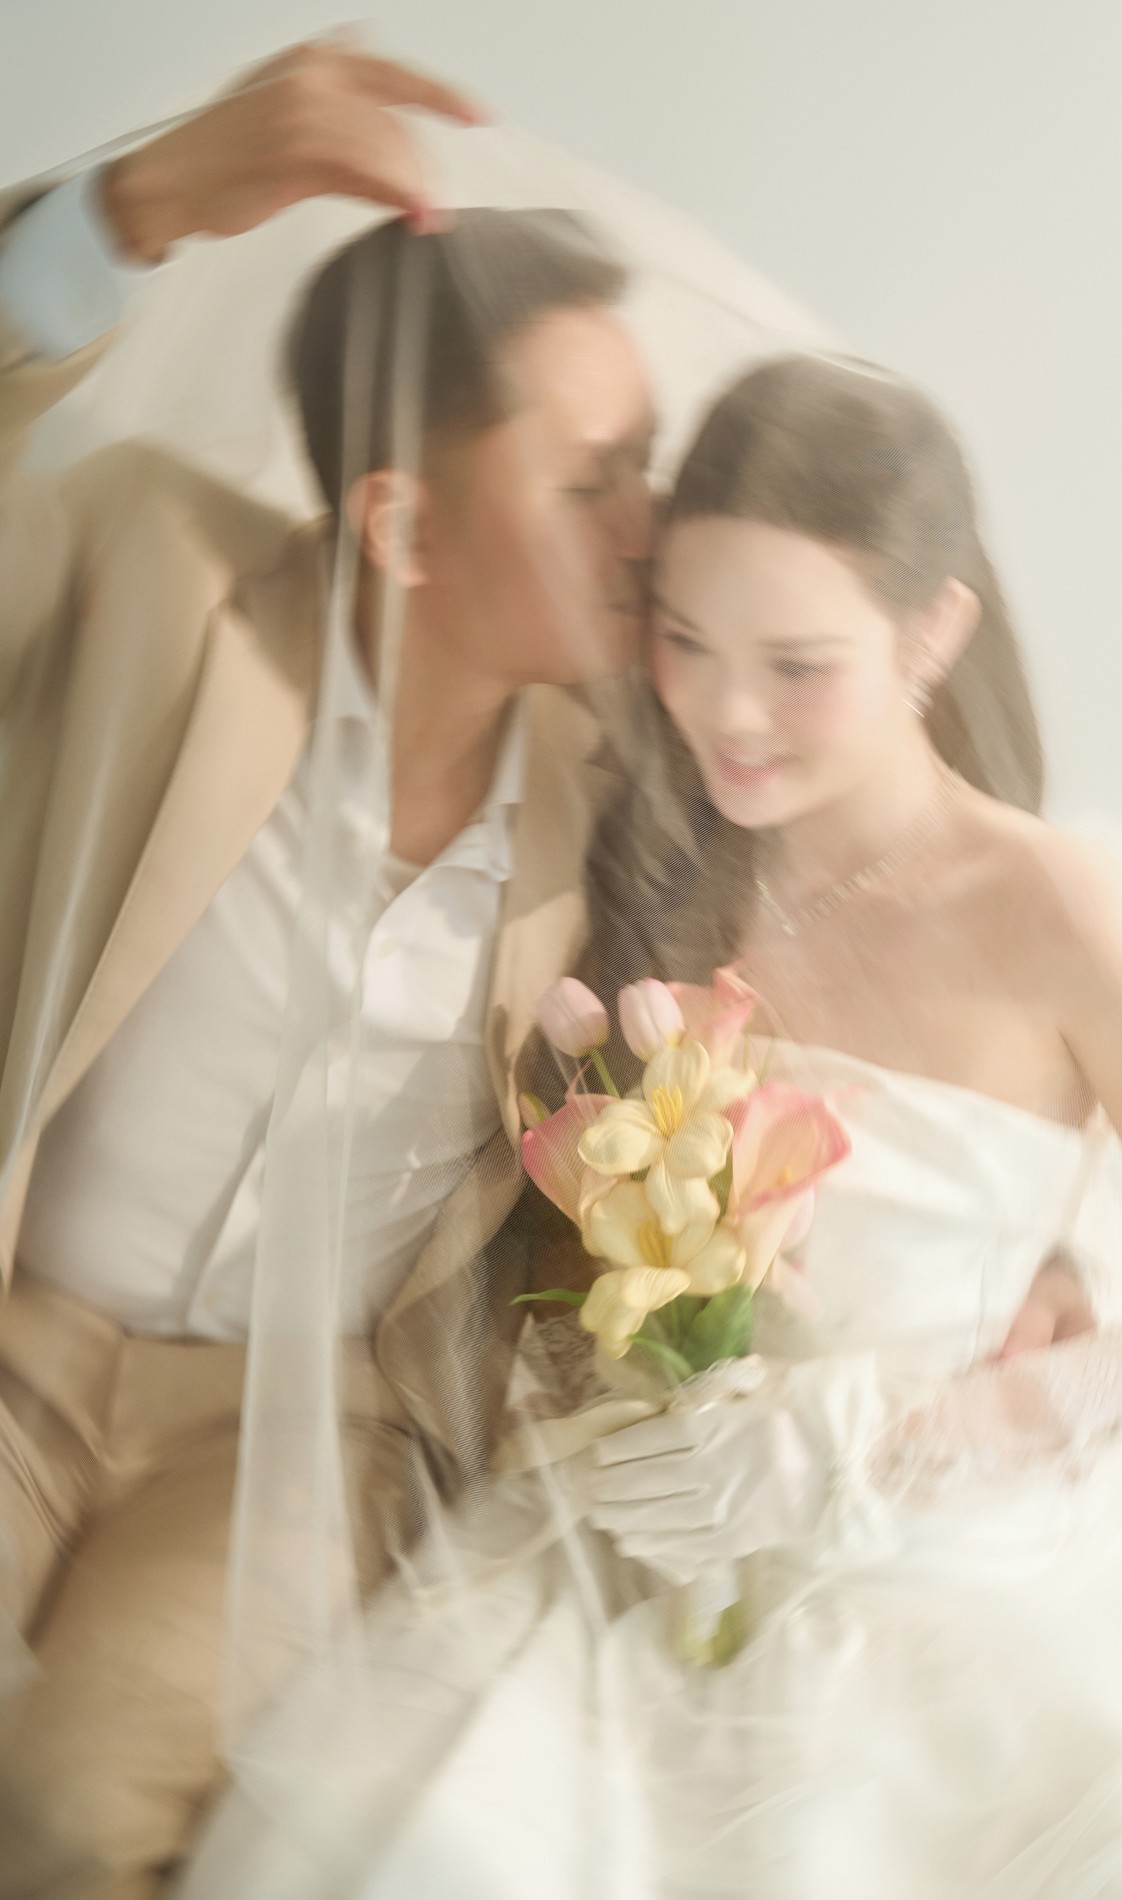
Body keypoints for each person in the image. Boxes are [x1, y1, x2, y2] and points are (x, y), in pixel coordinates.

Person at [181, 353, 1122, 1899]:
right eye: (685, 641)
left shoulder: (1065, 910)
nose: (730, 714)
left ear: (934, 633)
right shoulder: (644, 854)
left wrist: (921, 1434)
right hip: (638, 1540)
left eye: (798, 665)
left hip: (934, 1568)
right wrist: (625, 1400)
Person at [0, 41, 658, 1896]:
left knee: (69, 1819)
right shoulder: (157, 570)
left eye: (649, 467)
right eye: (593, 480)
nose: (650, 530)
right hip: (21, 1339)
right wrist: (126, 212)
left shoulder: (630, 802)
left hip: (293, 1447)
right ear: (402, 526)